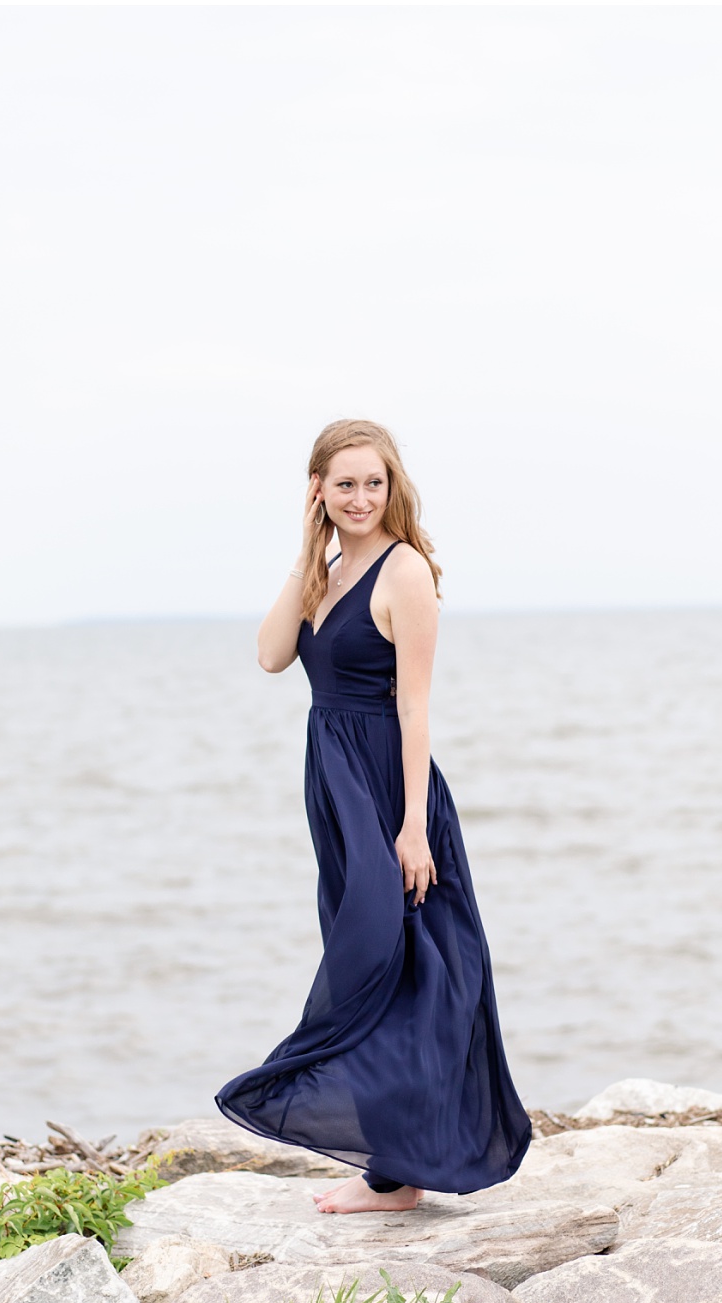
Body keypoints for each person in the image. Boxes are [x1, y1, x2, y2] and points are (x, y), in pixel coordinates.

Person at [216, 420, 531, 1214]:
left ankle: (400, 1169)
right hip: (335, 787)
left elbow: (415, 704)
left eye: (374, 483)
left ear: (394, 487)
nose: (361, 498)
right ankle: (393, 1170)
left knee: (404, 962)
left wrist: (415, 824)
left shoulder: (406, 573)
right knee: (367, 958)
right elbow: (269, 653)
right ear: (317, 488)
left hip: (389, 790)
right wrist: (305, 554)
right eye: (344, 483)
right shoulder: (324, 569)